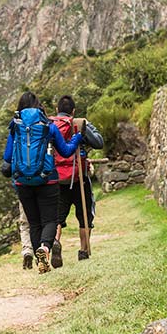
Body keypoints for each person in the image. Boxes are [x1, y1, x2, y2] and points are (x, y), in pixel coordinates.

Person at [2, 92, 83, 273]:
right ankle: (44, 249)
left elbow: (7, 157)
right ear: (38, 105)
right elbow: (66, 151)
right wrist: (77, 138)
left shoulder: (15, 126)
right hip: (47, 179)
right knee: (51, 220)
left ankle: (41, 259)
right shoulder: (48, 125)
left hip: (23, 182)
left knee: (34, 222)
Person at [51, 95, 104, 265]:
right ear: (73, 111)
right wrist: (83, 126)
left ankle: (56, 242)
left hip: (58, 178)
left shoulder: (51, 125)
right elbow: (99, 143)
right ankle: (84, 250)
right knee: (85, 215)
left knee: (57, 217)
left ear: (57, 110)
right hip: (79, 178)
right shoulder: (79, 124)